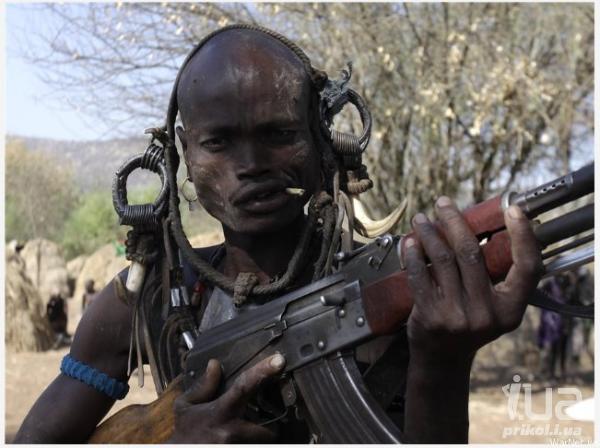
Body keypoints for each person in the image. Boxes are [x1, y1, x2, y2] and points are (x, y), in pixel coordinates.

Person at [14, 24, 542, 443]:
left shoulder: (398, 289)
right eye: (218, 142)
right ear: (184, 152)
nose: (250, 165)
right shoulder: (143, 305)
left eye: (279, 134)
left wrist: (442, 363)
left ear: (321, 136)